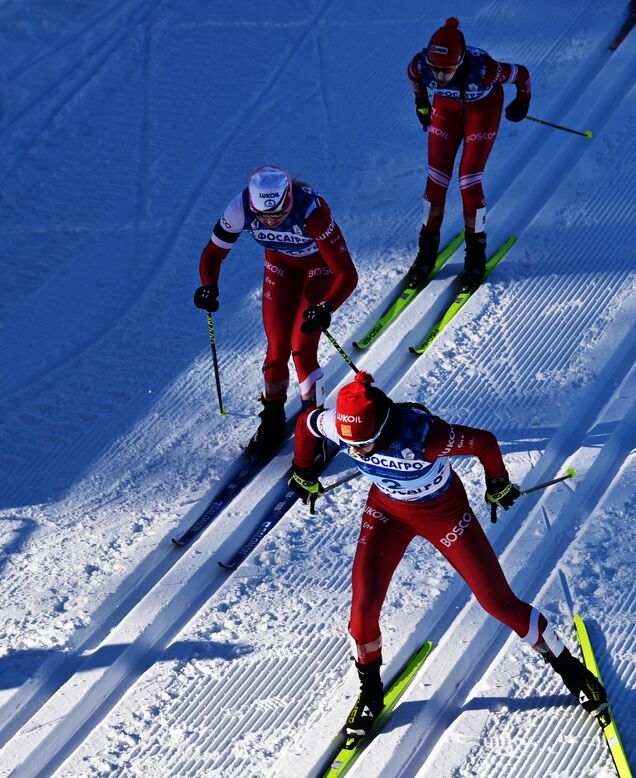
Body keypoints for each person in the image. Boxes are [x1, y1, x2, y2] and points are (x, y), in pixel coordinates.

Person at [289, 372, 606, 748]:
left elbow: (485, 443)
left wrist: (497, 482)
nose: (356, 453)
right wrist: (303, 468)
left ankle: (570, 670)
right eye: (351, 445)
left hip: (445, 515)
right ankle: (371, 692)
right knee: (361, 612)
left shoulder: (426, 437)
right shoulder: (341, 428)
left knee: (497, 602)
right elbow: (307, 426)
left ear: (383, 428)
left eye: (366, 444)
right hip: (387, 515)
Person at [194, 165, 359, 457]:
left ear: (289, 201)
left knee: (301, 348)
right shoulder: (240, 208)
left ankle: (315, 430)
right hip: (280, 267)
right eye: (263, 217)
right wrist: (209, 286)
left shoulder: (312, 212)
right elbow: (213, 253)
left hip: (319, 269)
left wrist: (326, 307)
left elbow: (346, 273)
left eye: (278, 215)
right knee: (276, 348)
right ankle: (272, 419)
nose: (270, 222)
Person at [404, 17, 531, 292]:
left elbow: (521, 74)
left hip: (482, 111)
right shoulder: (420, 65)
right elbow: (415, 77)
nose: (440, 77)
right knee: (436, 179)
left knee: (468, 180)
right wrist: (422, 103)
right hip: (447, 111)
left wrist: (522, 101)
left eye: (447, 70)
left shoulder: (484, 70)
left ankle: (475, 257)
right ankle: (426, 253)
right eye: (435, 69)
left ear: (460, 62)